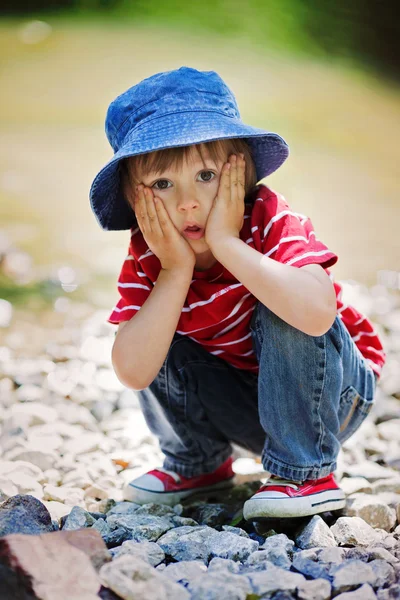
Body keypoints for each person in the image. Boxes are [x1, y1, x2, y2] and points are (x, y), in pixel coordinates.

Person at [89, 66, 386, 520]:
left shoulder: (268, 218)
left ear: (240, 173)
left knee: (277, 302)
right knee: (156, 320)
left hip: (331, 396)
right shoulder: (153, 254)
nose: (188, 201)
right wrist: (175, 272)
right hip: (245, 408)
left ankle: (307, 472)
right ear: (135, 198)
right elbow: (133, 369)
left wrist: (227, 245)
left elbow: (316, 314)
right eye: (163, 184)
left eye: (206, 176)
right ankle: (198, 461)